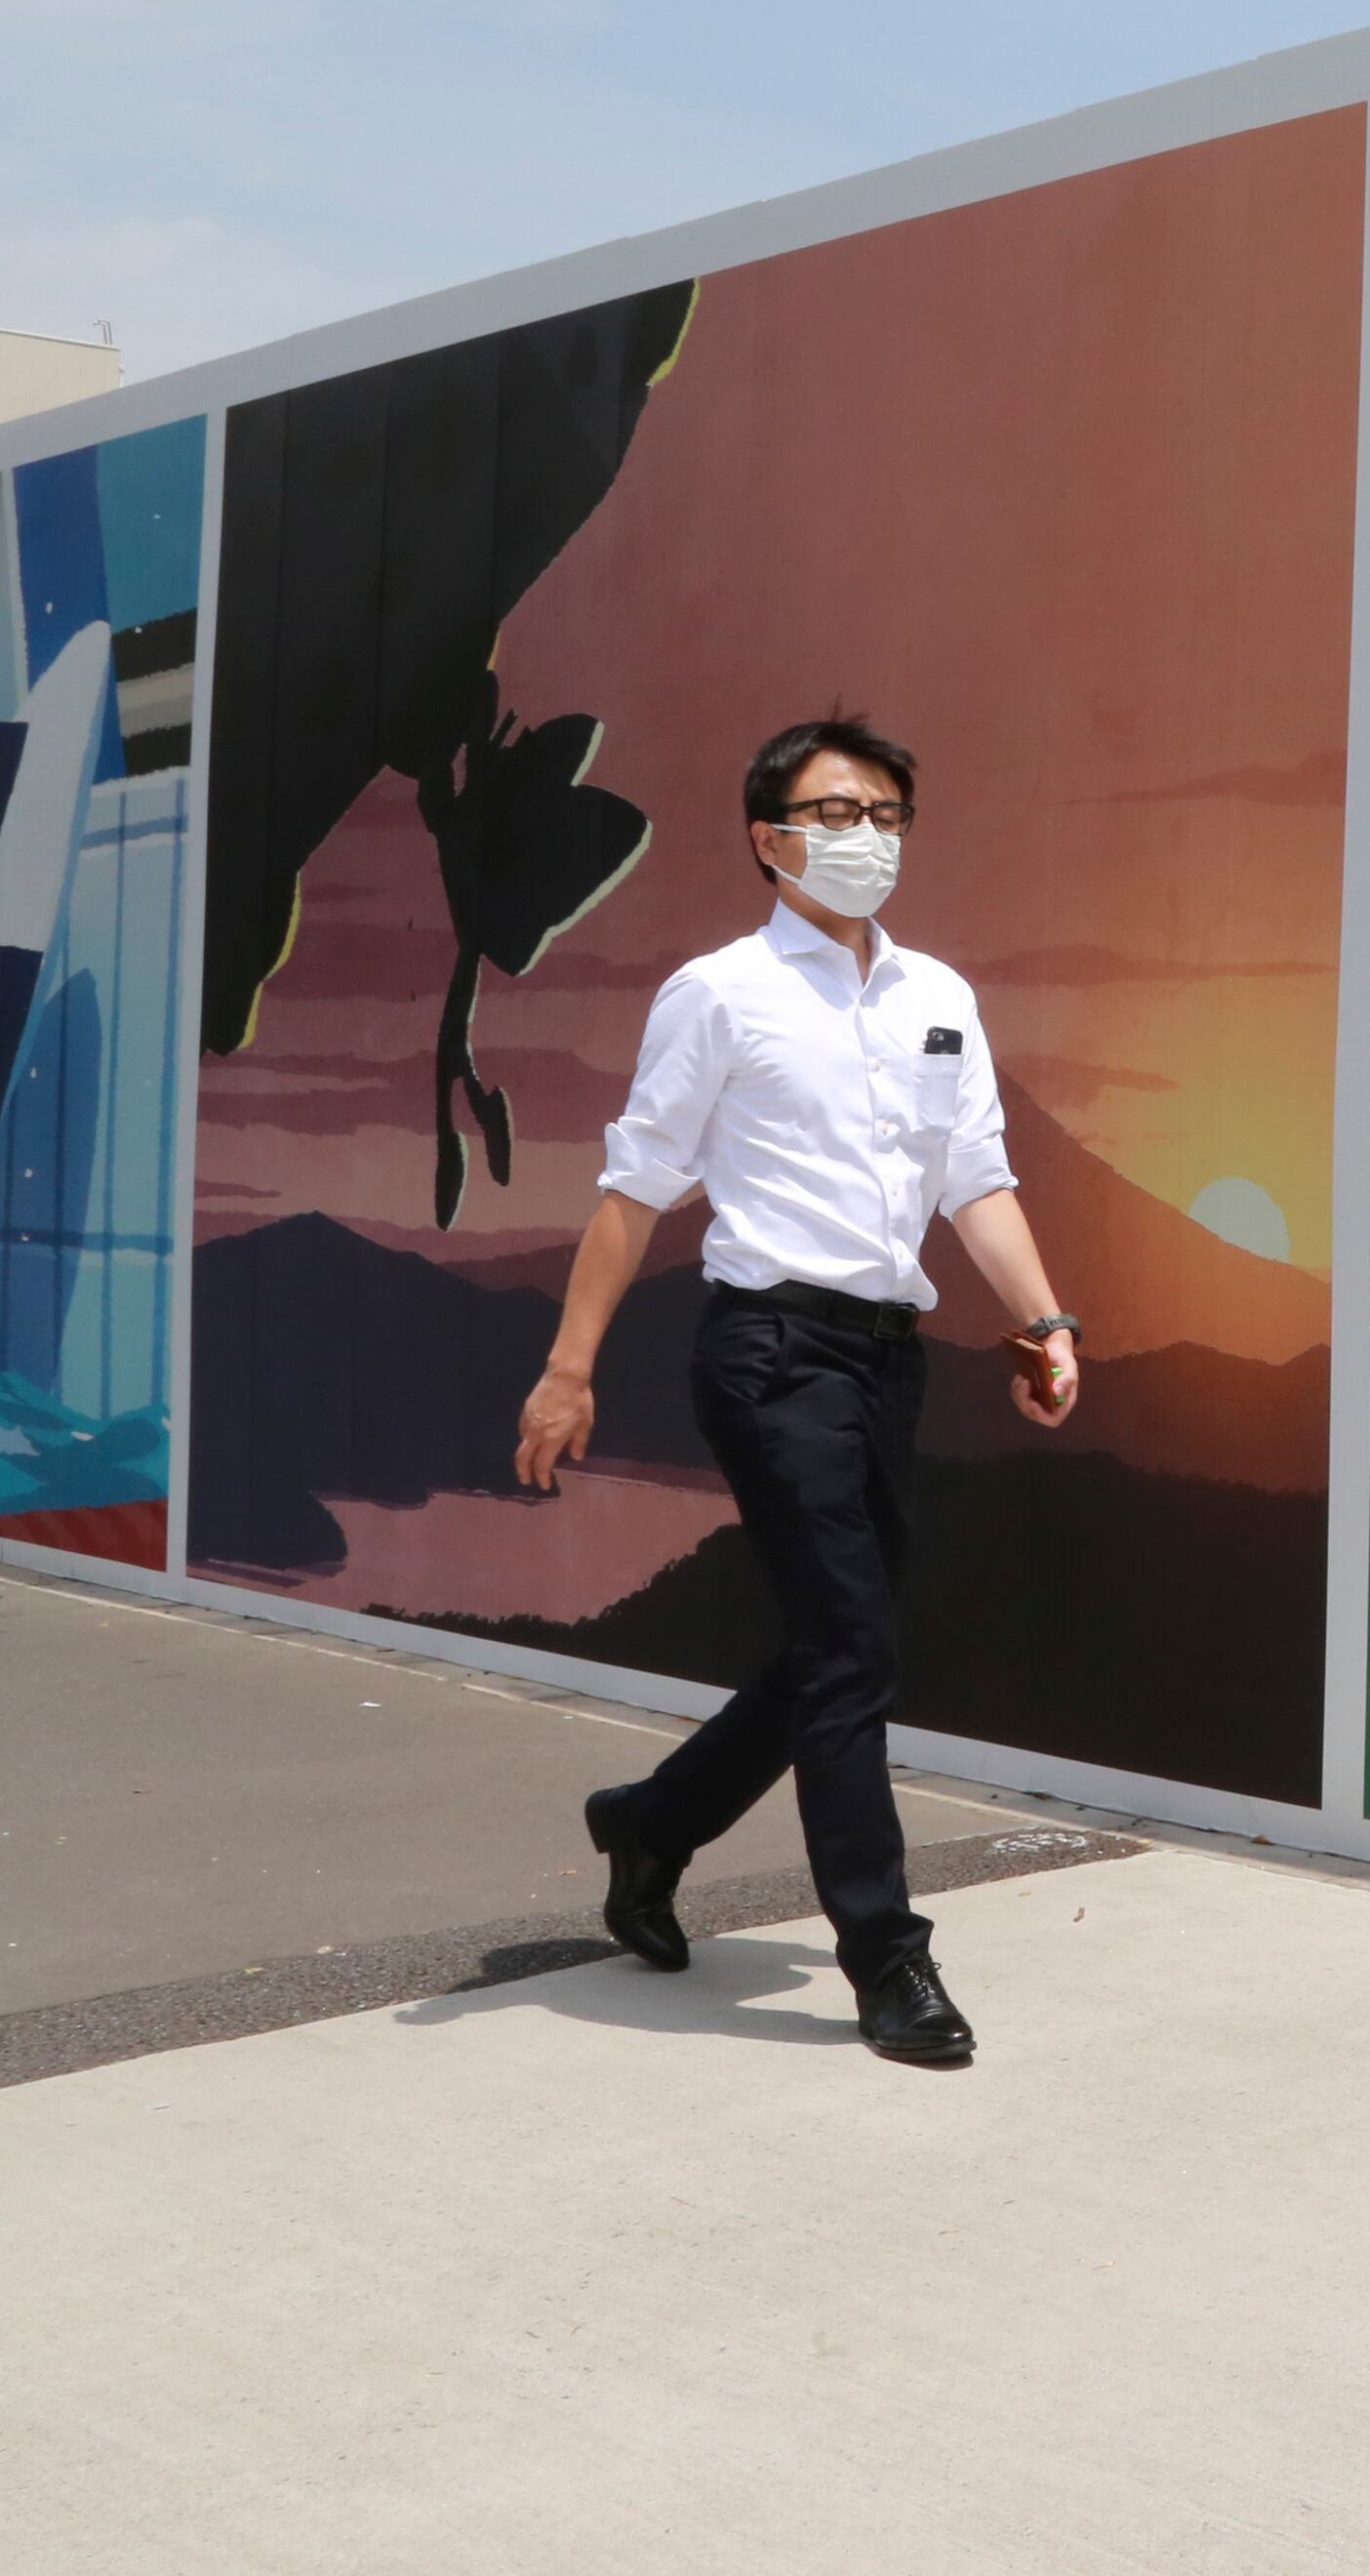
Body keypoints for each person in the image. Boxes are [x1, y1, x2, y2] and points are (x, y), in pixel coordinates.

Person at [511, 715, 1081, 2066]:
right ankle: (888, 1956)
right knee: (848, 1653)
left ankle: (652, 1822)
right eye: (835, 813)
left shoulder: (938, 995)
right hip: (768, 1349)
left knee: (844, 1646)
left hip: (886, 1355)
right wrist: (567, 1367)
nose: (865, 835)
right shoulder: (720, 993)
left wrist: (1045, 1320)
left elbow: (976, 1180)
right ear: (769, 839)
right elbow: (636, 1187)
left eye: (886, 812)